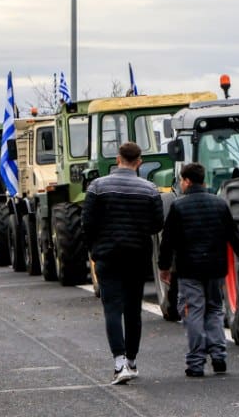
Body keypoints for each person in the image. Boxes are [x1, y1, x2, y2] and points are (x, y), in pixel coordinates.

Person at [157, 162, 239, 377]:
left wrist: (164, 267)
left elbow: (168, 241)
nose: (181, 184)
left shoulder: (178, 206)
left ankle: (196, 362)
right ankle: (219, 356)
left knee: (193, 311)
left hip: (189, 269)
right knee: (214, 310)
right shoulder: (219, 204)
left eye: (181, 180)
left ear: (187, 181)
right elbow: (234, 236)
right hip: (215, 267)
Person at [82, 140, 165, 385]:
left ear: (117, 159)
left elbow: (87, 222)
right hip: (137, 255)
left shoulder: (97, 186)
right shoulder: (149, 189)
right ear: (139, 162)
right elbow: (157, 225)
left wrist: (94, 248)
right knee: (132, 309)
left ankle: (119, 363)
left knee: (112, 308)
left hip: (107, 254)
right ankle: (132, 360)